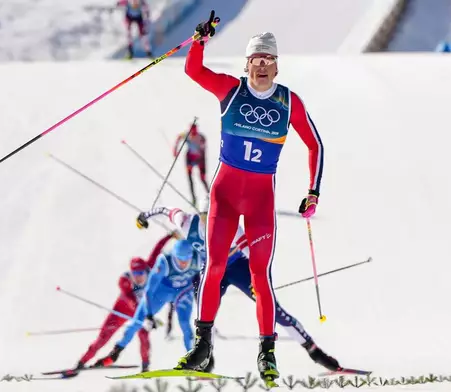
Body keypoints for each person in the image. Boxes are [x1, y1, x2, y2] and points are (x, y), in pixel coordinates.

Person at [178, 10, 324, 382]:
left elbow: (315, 145)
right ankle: (202, 344)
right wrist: (200, 40)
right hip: (225, 197)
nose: (261, 67)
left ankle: (267, 352)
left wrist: (313, 192)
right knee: (214, 266)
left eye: (268, 61)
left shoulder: (290, 102)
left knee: (261, 275)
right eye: (256, 60)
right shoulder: (230, 89)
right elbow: (193, 72)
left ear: (277, 67)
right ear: (247, 64)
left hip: (260, 202)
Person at [159, 201, 342, 373]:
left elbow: (253, 255)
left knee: (273, 310)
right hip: (213, 270)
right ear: (199, 215)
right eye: (206, 215)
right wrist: (145, 216)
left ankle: (314, 351)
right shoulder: (186, 224)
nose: (211, 220)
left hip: (238, 268)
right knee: (205, 313)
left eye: (215, 215)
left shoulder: (230, 226)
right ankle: (206, 357)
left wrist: (259, 281)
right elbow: (166, 211)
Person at [61, 233, 174, 377]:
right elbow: (131, 300)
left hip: (137, 312)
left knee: (144, 336)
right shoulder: (124, 280)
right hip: (121, 312)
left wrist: (170, 236)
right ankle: (80, 364)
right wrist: (147, 315)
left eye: (140, 272)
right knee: (102, 339)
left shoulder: (149, 268)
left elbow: (157, 249)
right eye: (135, 273)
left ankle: (146, 367)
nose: (138, 276)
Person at [94, 239, 201, 369]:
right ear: (174, 255)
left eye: (186, 259)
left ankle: (193, 360)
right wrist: (149, 315)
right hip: (161, 292)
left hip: (183, 292)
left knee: (185, 323)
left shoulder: (198, 257)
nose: (183, 263)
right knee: (138, 321)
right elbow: (149, 290)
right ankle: (115, 353)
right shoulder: (164, 262)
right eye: (179, 259)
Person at [174, 120, 209, 205]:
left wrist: (203, 167)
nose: (192, 133)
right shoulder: (186, 135)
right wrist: (175, 150)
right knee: (190, 179)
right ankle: (193, 198)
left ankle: (209, 193)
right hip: (189, 159)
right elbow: (179, 137)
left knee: (202, 178)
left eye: (194, 131)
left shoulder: (201, 137)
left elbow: (203, 151)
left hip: (200, 159)